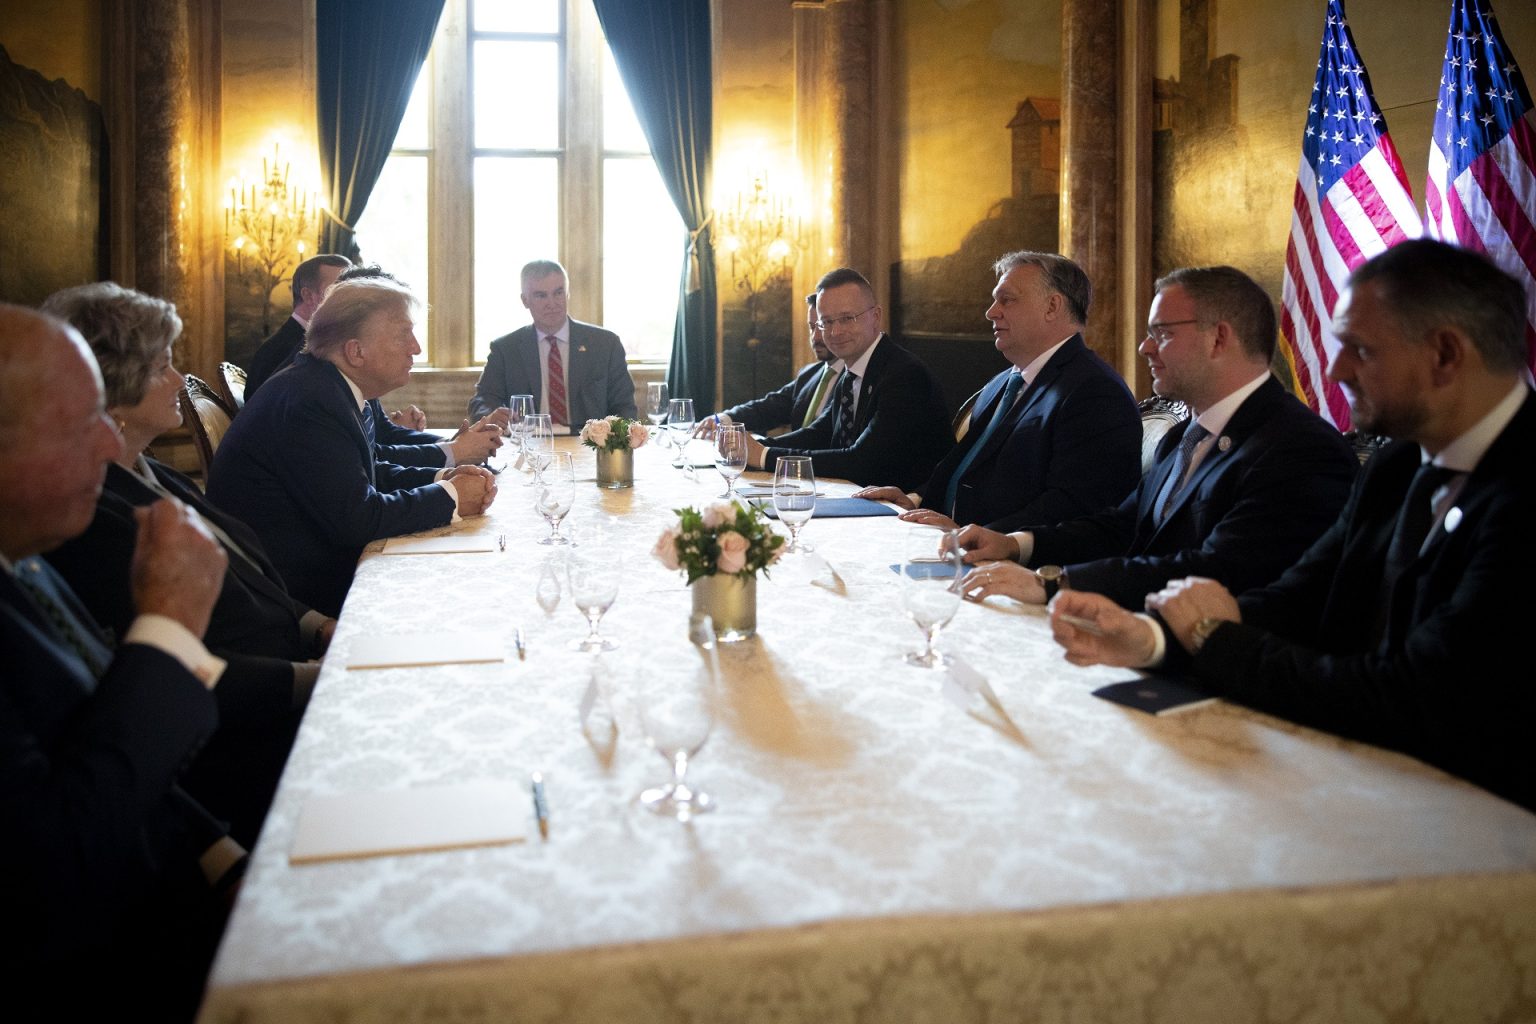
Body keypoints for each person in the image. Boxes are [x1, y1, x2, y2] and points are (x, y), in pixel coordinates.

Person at [1051, 239, 1536, 812]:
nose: (1335, 370)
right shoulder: (1399, 463)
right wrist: (1153, 637)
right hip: (1374, 776)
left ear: (1446, 354)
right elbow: (1298, 600)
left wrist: (1210, 636)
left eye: (1360, 349)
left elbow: (1410, 694)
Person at [0, 304, 239, 1018]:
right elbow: (52, 871)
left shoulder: (24, 559)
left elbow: (97, 727)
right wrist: (170, 626)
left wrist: (222, 857)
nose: (111, 443)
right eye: (81, 425)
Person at [40, 282, 334, 846]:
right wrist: (317, 680)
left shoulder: (150, 471)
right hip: (239, 738)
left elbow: (247, 574)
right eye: (162, 368)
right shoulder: (92, 516)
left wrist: (316, 625)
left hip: (283, 672)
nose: (180, 380)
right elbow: (183, 666)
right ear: (112, 389)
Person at [956, 266, 1357, 609]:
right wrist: (1015, 544)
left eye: (1161, 333)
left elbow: (1214, 570)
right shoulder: (1183, 436)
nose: (1144, 347)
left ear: (1219, 338)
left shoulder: (1299, 449)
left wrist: (1055, 584)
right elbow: (1120, 527)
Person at [209, 277, 498, 616]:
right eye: (404, 334)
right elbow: (358, 519)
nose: (416, 348)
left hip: (316, 567)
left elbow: (364, 472)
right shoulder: (311, 402)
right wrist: (451, 497)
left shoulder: (324, 385)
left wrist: (442, 478)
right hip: (295, 597)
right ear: (356, 351)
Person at [853, 252, 1140, 529]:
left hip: (1012, 556)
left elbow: (1074, 506)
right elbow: (968, 468)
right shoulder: (1002, 382)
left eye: (1007, 300)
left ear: (1052, 307)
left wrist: (980, 536)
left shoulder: (1094, 392)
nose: (991, 312)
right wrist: (914, 500)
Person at [744, 267, 951, 490]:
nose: (835, 332)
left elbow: (862, 462)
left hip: (906, 505)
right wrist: (753, 447)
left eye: (846, 318)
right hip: (858, 496)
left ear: (876, 316)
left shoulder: (904, 374)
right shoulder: (849, 373)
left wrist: (765, 456)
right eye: (826, 322)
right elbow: (819, 434)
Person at [332, 263, 506, 468]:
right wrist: (455, 451)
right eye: (402, 334)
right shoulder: (323, 395)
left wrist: (453, 445)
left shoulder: (357, 378)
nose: (416, 348)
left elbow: (385, 435)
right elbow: (374, 462)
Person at [469, 258, 637, 432]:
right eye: (541, 295)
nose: (552, 303)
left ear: (568, 294)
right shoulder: (505, 349)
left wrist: (613, 439)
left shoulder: (605, 345)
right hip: (529, 442)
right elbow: (482, 401)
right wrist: (491, 416)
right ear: (525, 300)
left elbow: (625, 407)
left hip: (588, 443)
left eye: (558, 293)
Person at [698, 292, 843, 437]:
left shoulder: (852, 379)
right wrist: (723, 419)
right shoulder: (809, 374)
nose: (815, 337)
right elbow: (768, 408)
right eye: (811, 327)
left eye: (822, 326)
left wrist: (760, 447)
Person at [243, 252, 351, 400]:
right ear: (308, 296)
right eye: (338, 289)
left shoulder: (326, 343)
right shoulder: (278, 352)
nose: (350, 299)